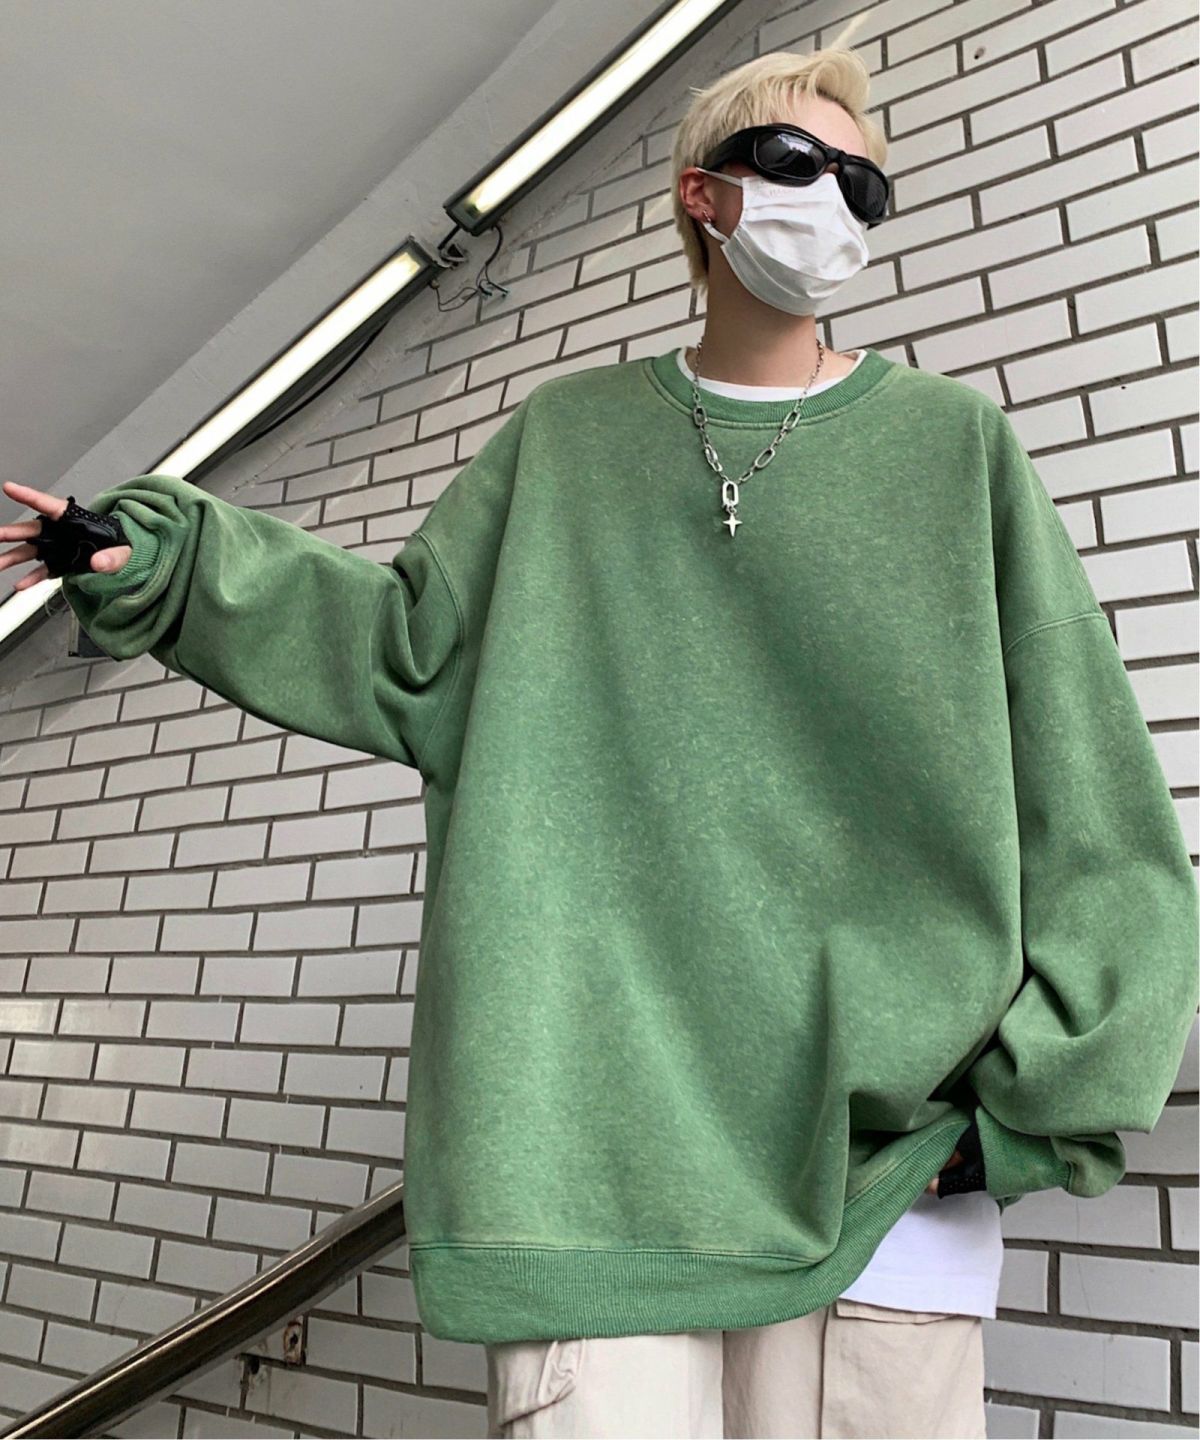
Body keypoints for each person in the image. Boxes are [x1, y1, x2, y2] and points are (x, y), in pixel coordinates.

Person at [3, 16, 1196, 1440]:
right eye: (796, 162)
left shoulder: (954, 448)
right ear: (704, 191)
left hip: (884, 1169)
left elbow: (1090, 791)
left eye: (865, 186)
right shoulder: (566, 441)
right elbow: (407, 654)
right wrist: (178, 566)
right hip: (592, 1151)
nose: (835, 204)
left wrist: (1039, 1100)